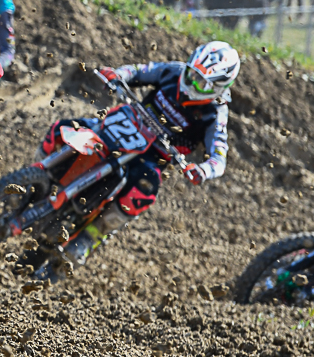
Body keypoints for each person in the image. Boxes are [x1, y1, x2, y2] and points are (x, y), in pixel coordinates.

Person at [43, 42, 240, 270]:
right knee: (63, 128)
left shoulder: (216, 113)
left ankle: (91, 236)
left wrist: (203, 170)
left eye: (202, 82)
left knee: (144, 190)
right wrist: (118, 75)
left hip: (153, 155)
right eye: (192, 73)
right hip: (124, 124)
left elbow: (219, 157)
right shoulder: (173, 71)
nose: (192, 82)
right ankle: (38, 175)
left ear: (219, 87)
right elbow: (138, 71)